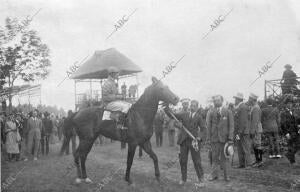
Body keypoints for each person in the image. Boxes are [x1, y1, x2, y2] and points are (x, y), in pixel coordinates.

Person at [165, 100, 207, 186]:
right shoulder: (184, 114)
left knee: (197, 161)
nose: (192, 107)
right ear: (189, 106)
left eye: (194, 106)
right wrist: (166, 108)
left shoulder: (199, 117)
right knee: (183, 161)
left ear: (197, 107)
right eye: (191, 105)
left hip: (194, 141)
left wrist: (200, 137)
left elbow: (204, 129)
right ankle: (183, 179)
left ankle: (201, 179)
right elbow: (173, 115)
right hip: (184, 141)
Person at [206, 95, 234, 182]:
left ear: (222, 101)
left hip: (225, 139)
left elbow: (231, 126)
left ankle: (227, 176)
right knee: (214, 157)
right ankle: (214, 175)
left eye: (218, 100)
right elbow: (208, 126)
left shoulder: (228, 111)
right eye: (215, 101)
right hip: (214, 139)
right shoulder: (211, 111)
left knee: (225, 158)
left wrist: (230, 138)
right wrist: (208, 138)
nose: (216, 102)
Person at [233, 93, 251, 168]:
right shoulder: (239, 107)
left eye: (235, 99)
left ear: (238, 99)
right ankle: (242, 164)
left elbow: (243, 121)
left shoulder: (243, 107)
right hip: (239, 132)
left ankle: (248, 164)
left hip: (243, 132)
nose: (234, 100)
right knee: (240, 148)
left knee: (245, 148)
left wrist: (240, 132)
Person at [281, 101, 300, 165]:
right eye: (289, 103)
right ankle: (292, 161)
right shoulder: (283, 113)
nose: (290, 104)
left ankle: (288, 155)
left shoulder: (292, 112)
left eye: (291, 103)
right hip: (289, 132)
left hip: (295, 131)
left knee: (298, 145)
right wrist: (286, 133)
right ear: (286, 104)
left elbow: (295, 121)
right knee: (291, 146)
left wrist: (298, 127)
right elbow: (283, 124)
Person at [248, 93, 263, 167]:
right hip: (256, 128)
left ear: (253, 99)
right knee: (255, 145)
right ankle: (257, 160)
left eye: (249, 98)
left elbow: (255, 121)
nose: (248, 99)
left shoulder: (256, 108)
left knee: (257, 145)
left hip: (256, 129)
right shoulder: (254, 107)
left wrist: (252, 131)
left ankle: (259, 161)